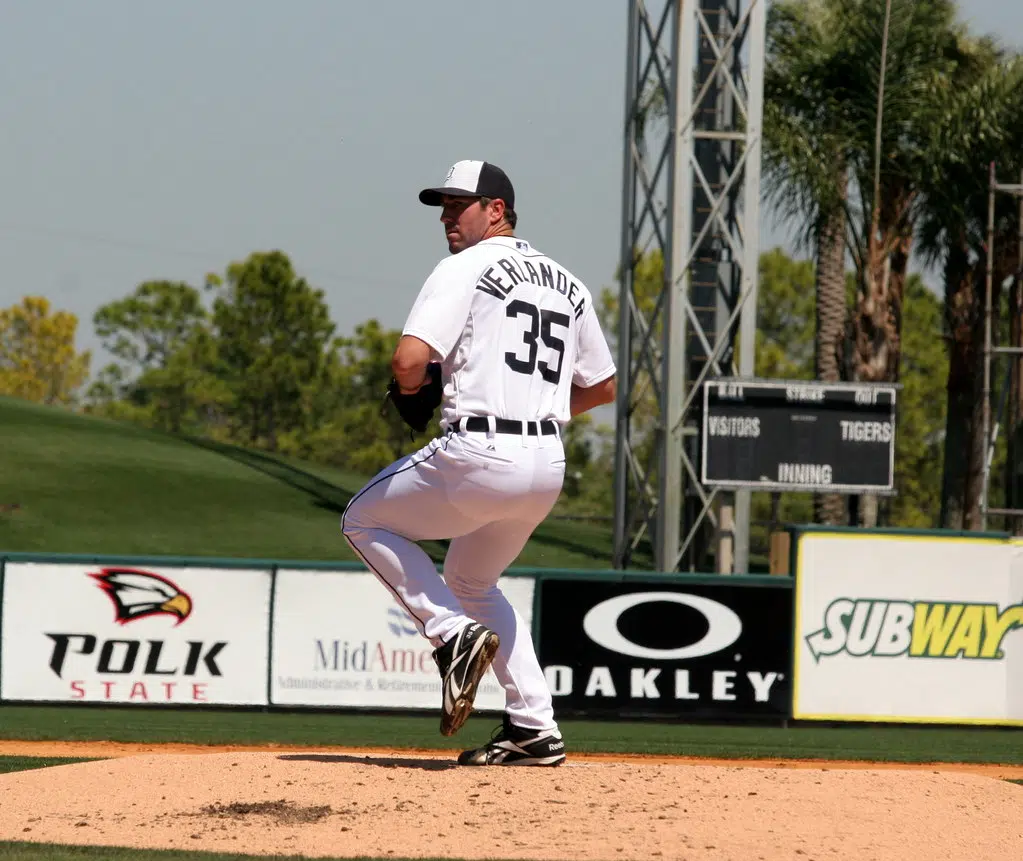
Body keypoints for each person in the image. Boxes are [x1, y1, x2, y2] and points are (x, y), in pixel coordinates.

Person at [341, 159, 617, 767]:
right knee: (472, 582)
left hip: (479, 452)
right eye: (441, 207)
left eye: (458, 204)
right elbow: (602, 387)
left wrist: (415, 387)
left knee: (362, 520)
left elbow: (409, 360)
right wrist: (540, 407)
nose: (446, 218)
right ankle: (534, 728)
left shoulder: (464, 266)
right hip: (545, 461)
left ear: (497, 211)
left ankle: (450, 636)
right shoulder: (567, 281)